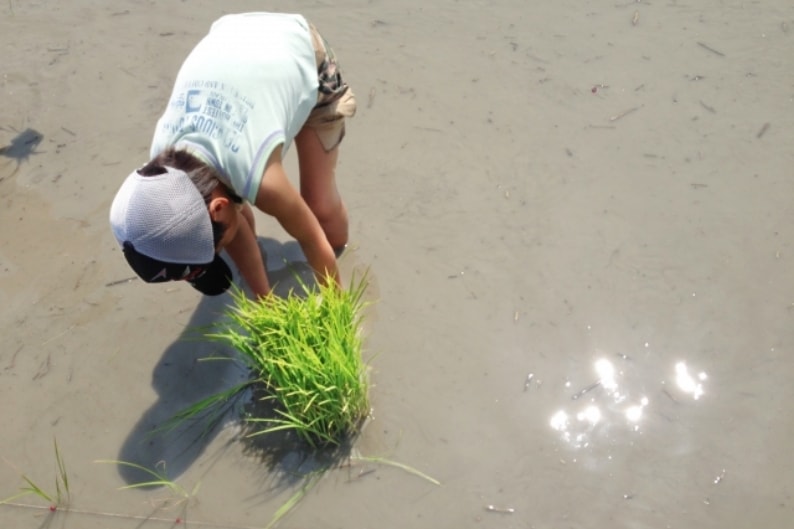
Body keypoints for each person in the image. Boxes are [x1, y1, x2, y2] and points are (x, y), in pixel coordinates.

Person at [109, 12, 356, 298]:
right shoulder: (160, 174)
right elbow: (231, 224)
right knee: (232, 222)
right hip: (231, 45)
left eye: (216, 248)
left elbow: (312, 239)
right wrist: (265, 302)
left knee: (321, 213)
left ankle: (344, 255)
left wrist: (337, 310)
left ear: (218, 207)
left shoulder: (261, 179)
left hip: (297, 49)